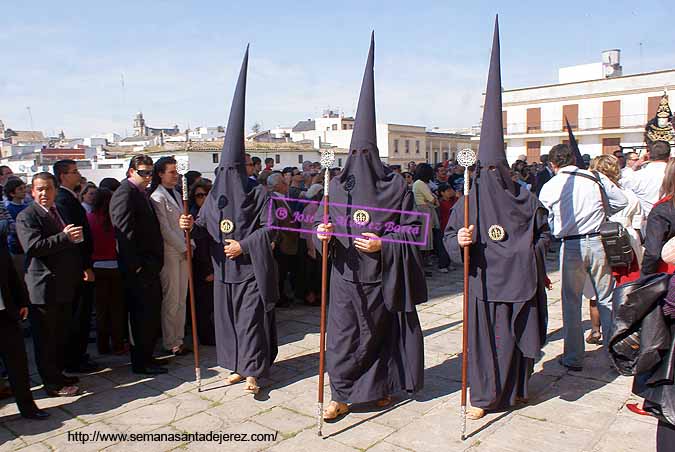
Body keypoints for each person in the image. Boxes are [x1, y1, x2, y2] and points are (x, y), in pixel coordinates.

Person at [316, 34, 426, 420]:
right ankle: (340, 394)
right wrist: (321, 234)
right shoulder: (336, 185)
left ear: (375, 155)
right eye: (354, 154)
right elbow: (317, 221)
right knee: (343, 338)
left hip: (381, 276)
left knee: (378, 337)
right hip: (345, 276)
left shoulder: (396, 188)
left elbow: (416, 232)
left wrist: (385, 244)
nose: (359, 161)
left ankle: (380, 388)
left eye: (366, 154)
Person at [444, 19, 549, 419]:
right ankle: (486, 397)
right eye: (485, 170)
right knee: (486, 342)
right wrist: (462, 243)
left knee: (515, 339)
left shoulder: (525, 198)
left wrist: (526, 255)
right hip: (482, 283)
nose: (491, 179)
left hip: (518, 283)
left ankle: (517, 388)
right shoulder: (468, 201)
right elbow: (450, 238)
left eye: (496, 171)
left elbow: (543, 238)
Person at [192, 47, 279, 395]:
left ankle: (256, 371)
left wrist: (244, 245)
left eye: (234, 169)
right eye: (223, 170)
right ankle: (238, 366)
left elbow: (271, 227)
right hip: (223, 273)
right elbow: (204, 223)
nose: (229, 176)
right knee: (228, 323)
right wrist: (191, 227)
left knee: (251, 321)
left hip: (250, 269)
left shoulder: (258, 192)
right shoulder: (215, 195)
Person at [539, 144, 627, 371]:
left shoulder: (550, 185)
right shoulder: (595, 177)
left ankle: (573, 357)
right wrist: (602, 211)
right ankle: (612, 353)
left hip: (571, 244)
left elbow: (546, 215)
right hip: (598, 241)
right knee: (606, 298)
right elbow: (621, 201)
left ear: (552, 164)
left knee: (571, 302)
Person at [16, 172, 82, 397]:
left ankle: (58, 374)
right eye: (40, 189)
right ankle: (51, 383)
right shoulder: (27, 216)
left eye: (48, 189)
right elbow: (33, 247)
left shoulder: (58, 211)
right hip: (42, 286)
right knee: (46, 339)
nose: (44, 193)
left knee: (60, 335)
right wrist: (65, 237)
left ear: (55, 190)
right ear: (32, 191)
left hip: (62, 284)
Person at [110, 155, 167, 375]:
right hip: (139, 269)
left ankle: (148, 356)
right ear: (131, 171)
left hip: (149, 266)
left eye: (150, 172)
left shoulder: (140, 193)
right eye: (143, 172)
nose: (148, 177)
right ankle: (141, 362)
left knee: (150, 315)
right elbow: (124, 234)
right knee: (140, 317)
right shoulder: (125, 193)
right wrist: (136, 266)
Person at [53, 160, 98, 374]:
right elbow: (75, 238)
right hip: (78, 267)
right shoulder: (63, 200)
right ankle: (74, 359)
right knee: (78, 316)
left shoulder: (69, 197)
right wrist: (85, 266)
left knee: (82, 315)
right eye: (74, 172)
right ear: (63, 176)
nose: (78, 175)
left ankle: (79, 355)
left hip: (83, 263)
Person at [0, 241, 49, 419]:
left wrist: (21, 301)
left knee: (18, 362)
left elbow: (11, 273)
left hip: (6, 313)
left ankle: (28, 407)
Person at [149, 156, 191, 356]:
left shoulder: (176, 193)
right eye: (171, 172)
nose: (176, 176)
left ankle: (179, 338)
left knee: (182, 297)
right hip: (171, 252)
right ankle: (170, 341)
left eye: (176, 171)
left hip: (184, 249)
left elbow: (182, 223)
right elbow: (164, 229)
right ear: (160, 174)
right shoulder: (157, 197)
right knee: (172, 299)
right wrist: (183, 247)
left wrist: (189, 242)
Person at [87, 189, 126, 355]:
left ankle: (102, 345)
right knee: (116, 309)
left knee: (101, 310)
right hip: (114, 266)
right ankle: (118, 344)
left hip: (97, 267)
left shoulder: (88, 219)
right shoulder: (113, 220)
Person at [189, 180, 216, 345]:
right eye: (199, 195)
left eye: (207, 194)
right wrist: (207, 271)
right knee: (203, 306)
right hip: (202, 267)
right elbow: (199, 247)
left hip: (214, 265)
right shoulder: (195, 216)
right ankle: (206, 337)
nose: (203, 198)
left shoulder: (214, 213)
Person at [412, 163, 438, 274]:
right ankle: (421, 267)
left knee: (423, 239)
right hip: (423, 210)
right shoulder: (421, 183)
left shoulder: (417, 183)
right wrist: (435, 199)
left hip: (420, 210)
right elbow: (431, 199)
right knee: (424, 239)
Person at [4, 178, 29, 277]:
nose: (24, 191)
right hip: (17, 248)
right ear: (12, 193)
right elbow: (12, 228)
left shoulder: (27, 207)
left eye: (24, 188)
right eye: (20, 189)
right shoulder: (9, 209)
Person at [436, 183, 456, 273]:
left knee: (450, 245)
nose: (451, 192)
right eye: (448, 191)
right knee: (442, 247)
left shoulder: (454, 200)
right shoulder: (439, 203)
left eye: (451, 190)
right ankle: (442, 265)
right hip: (443, 226)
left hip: (453, 226)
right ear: (442, 193)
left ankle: (449, 263)